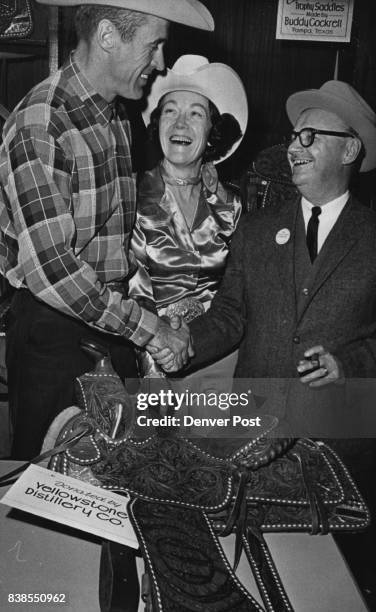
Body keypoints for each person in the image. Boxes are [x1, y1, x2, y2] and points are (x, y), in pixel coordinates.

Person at [0, 0, 214, 461]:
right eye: (154, 45)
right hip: (53, 334)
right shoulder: (43, 121)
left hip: (106, 323)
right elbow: (54, 271)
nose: (159, 63)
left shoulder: (116, 118)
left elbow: (118, 245)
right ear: (108, 36)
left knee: (118, 476)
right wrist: (151, 330)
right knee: (51, 485)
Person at [152, 80, 376, 439]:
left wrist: (349, 363)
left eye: (310, 136)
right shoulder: (256, 228)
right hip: (253, 428)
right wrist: (185, 342)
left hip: (339, 436)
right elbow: (230, 314)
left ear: (349, 150)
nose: (292, 148)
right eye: (293, 136)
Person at [129, 54, 248, 395]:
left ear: (213, 132)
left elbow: (239, 295)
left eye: (195, 114)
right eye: (170, 111)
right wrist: (156, 362)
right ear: (157, 124)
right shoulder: (131, 198)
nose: (180, 124)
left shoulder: (231, 205)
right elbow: (132, 291)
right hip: (155, 355)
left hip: (221, 351)